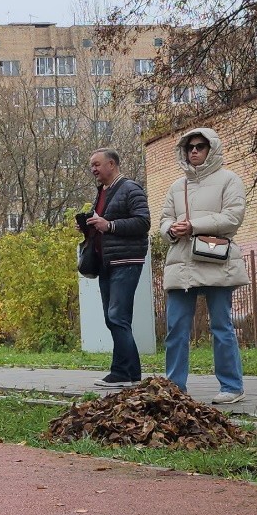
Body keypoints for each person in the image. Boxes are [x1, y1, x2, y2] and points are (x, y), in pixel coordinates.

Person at [160, 128, 250, 404]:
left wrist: (194, 225)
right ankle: (175, 388)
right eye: (190, 147)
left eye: (201, 146)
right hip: (181, 262)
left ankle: (232, 386)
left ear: (212, 149)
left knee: (221, 325)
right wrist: (172, 230)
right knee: (175, 327)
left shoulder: (229, 179)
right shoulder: (177, 186)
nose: (194, 151)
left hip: (215, 258)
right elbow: (163, 221)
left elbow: (233, 217)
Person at [78, 148, 150, 389]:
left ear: (112, 164)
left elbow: (143, 221)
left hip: (125, 262)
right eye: (91, 165)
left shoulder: (130, 188)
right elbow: (103, 227)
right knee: (114, 319)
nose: (93, 169)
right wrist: (90, 227)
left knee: (117, 317)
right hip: (105, 263)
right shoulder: (102, 192)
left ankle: (124, 373)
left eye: (97, 164)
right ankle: (128, 373)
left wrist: (108, 225)